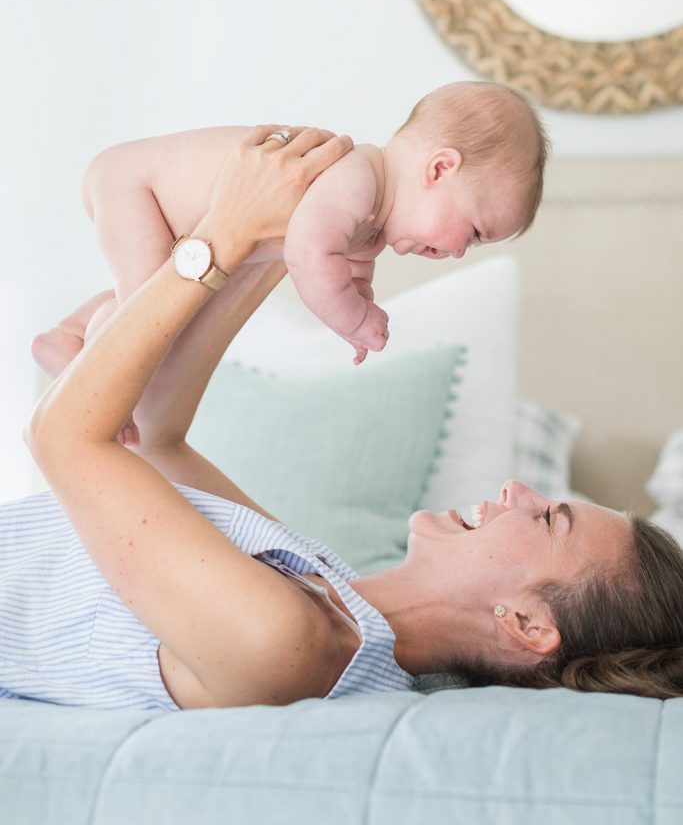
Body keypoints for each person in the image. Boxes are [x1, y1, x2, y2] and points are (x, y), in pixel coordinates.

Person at [8, 125, 683, 711]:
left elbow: (63, 437)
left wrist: (227, 230)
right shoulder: (322, 592)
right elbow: (157, 440)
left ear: (528, 624)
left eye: (545, 518)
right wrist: (284, 243)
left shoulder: (288, 642)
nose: (516, 491)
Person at [32, 82, 549, 420]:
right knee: (150, 309)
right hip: (132, 185)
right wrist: (351, 320)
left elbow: (349, 271)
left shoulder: (369, 227)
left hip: (158, 206)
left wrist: (361, 298)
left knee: (159, 291)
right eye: (476, 232)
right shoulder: (353, 178)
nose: (461, 252)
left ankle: (70, 334)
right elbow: (309, 257)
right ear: (439, 169)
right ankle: (96, 384)